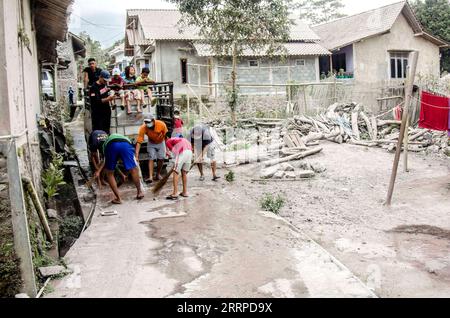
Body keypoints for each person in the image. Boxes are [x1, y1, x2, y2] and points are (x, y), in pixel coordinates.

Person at [90, 131, 144, 204]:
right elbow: (123, 165)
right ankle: (139, 192)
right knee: (134, 169)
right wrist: (123, 174)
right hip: (126, 144)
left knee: (109, 173)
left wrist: (98, 171)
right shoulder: (113, 136)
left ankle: (118, 199)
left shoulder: (104, 146)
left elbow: (107, 162)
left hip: (111, 146)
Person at [135, 114, 168, 183]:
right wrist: (136, 155)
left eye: (148, 122)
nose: (147, 124)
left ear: (153, 120)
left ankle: (158, 174)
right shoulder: (143, 128)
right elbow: (139, 142)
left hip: (161, 142)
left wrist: (167, 149)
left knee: (161, 158)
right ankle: (150, 177)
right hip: (151, 143)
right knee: (151, 157)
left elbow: (166, 136)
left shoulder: (161, 124)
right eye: (145, 122)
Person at [89, 70, 115, 134]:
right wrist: (108, 99)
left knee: (106, 130)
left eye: (107, 81)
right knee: (99, 132)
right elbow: (96, 101)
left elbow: (104, 93)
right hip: (98, 113)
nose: (106, 82)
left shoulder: (104, 85)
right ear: (100, 77)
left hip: (106, 111)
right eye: (104, 80)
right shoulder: (93, 87)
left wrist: (111, 94)